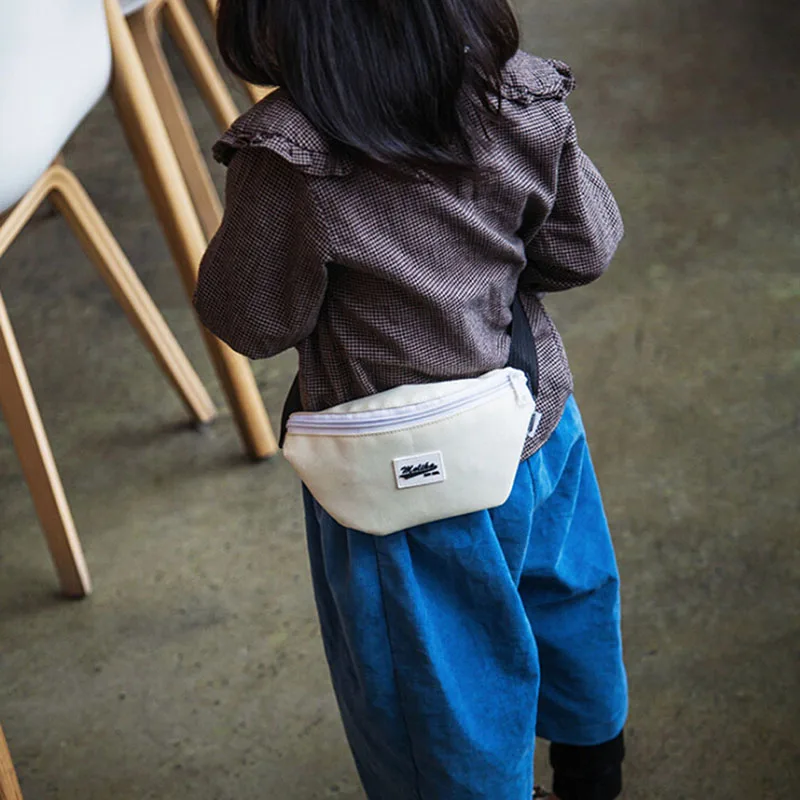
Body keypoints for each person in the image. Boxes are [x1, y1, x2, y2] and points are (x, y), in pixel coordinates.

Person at [193, 1, 628, 797]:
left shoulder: (291, 154)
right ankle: (593, 767)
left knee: (443, 687)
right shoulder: (517, 96)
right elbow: (583, 246)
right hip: (536, 425)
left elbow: (250, 320)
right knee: (568, 596)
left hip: (403, 487)